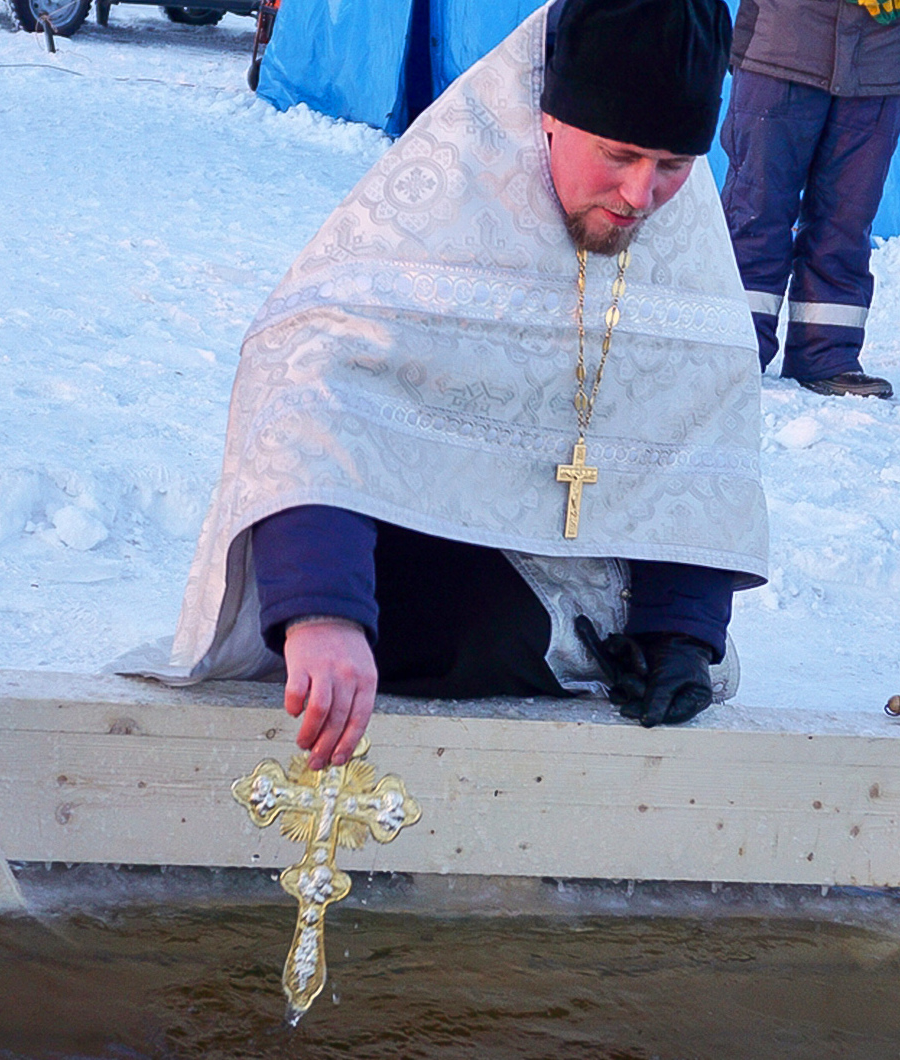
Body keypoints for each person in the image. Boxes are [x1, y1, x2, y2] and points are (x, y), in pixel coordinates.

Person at [149, 0, 770, 772]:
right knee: (470, 630)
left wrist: (681, 632)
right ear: (549, 119)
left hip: (577, 599)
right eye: (619, 155)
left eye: (673, 167)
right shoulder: (439, 204)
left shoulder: (681, 233)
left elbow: (694, 430)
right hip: (425, 580)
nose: (641, 196)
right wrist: (324, 612)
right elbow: (313, 381)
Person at [717, 0, 900, 400]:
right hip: (781, 47)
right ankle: (734, 348)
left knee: (847, 218)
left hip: (883, 60)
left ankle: (827, 356)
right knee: (755, 210)